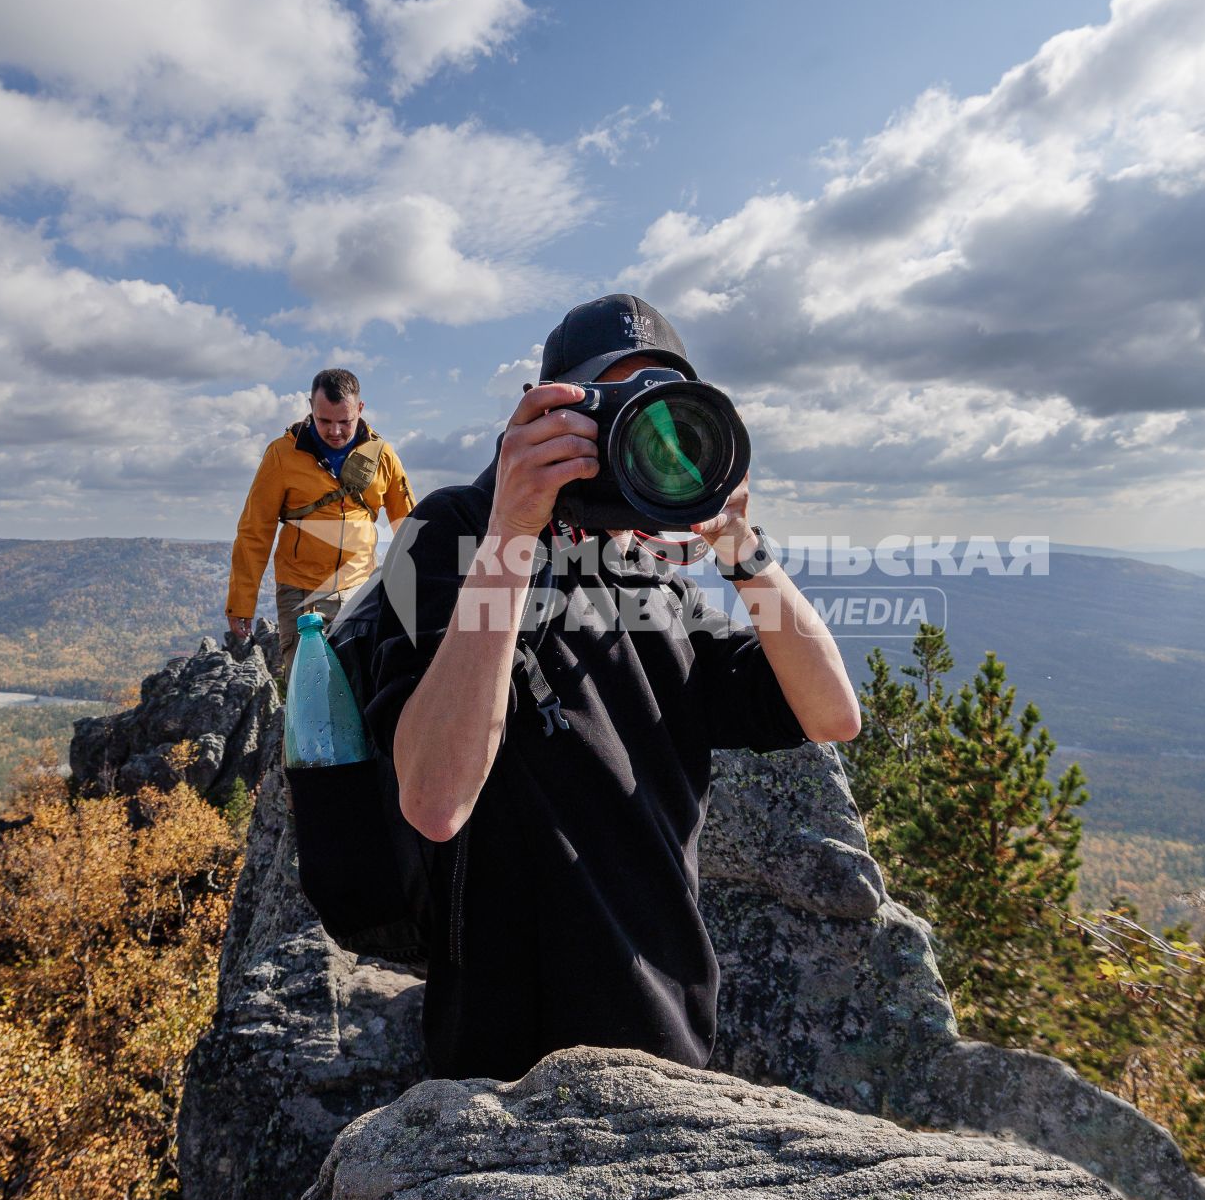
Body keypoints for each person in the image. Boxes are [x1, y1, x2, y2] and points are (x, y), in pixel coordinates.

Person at [360, 294, 861, 1082]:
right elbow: (435, 798)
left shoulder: (658, 584)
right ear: (549, 411)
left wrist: (736, 541)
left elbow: (832, 713)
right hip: (500, 1062)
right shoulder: (455, 532)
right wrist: (514, 529)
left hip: (670, 1042)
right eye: (611, 406)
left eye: (665, 415)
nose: (642, 437)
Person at [226, 369, 415, 675]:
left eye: (345, 421)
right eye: (324, 421)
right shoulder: (282, 455)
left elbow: (407, 524)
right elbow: (254, 531)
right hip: (301, 593)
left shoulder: (382, 456)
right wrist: (240, 602)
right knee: (310, 692)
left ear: (361, 409)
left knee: (362, 690)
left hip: (360, 591)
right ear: (310, 407)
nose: (336, 431)